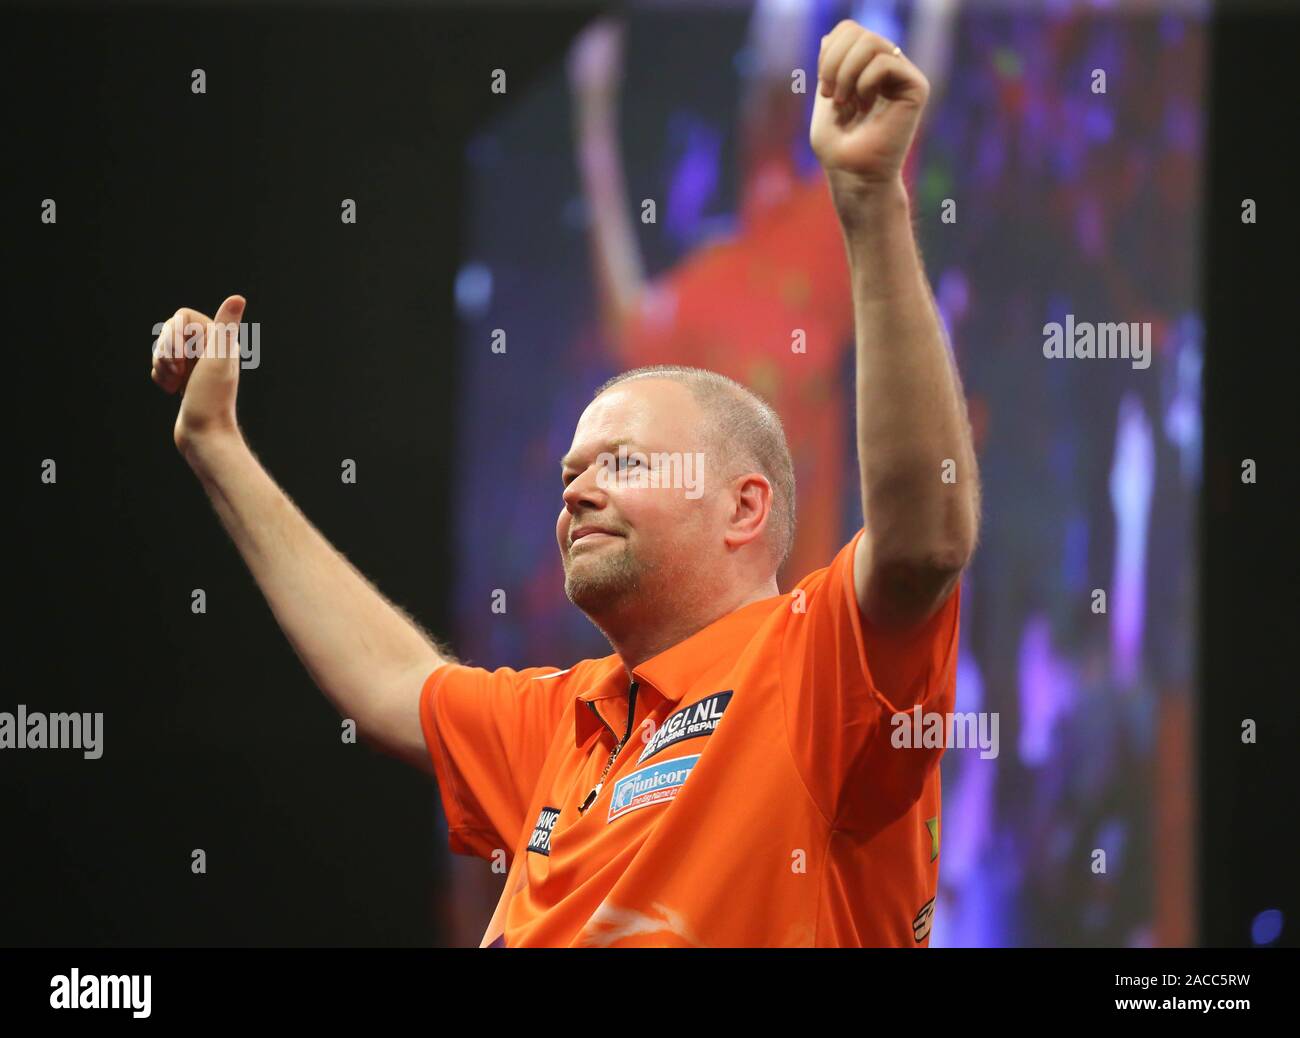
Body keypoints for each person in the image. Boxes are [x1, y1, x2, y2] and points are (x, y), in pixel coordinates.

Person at [149, 18, 979, 947]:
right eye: (571, 475)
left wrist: (869, 198)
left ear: (746, 507)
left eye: (621, 464)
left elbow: (923, 545)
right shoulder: (566, 722)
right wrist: (219, 447)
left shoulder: (814, 672)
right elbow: (392, 678)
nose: (576, 494)